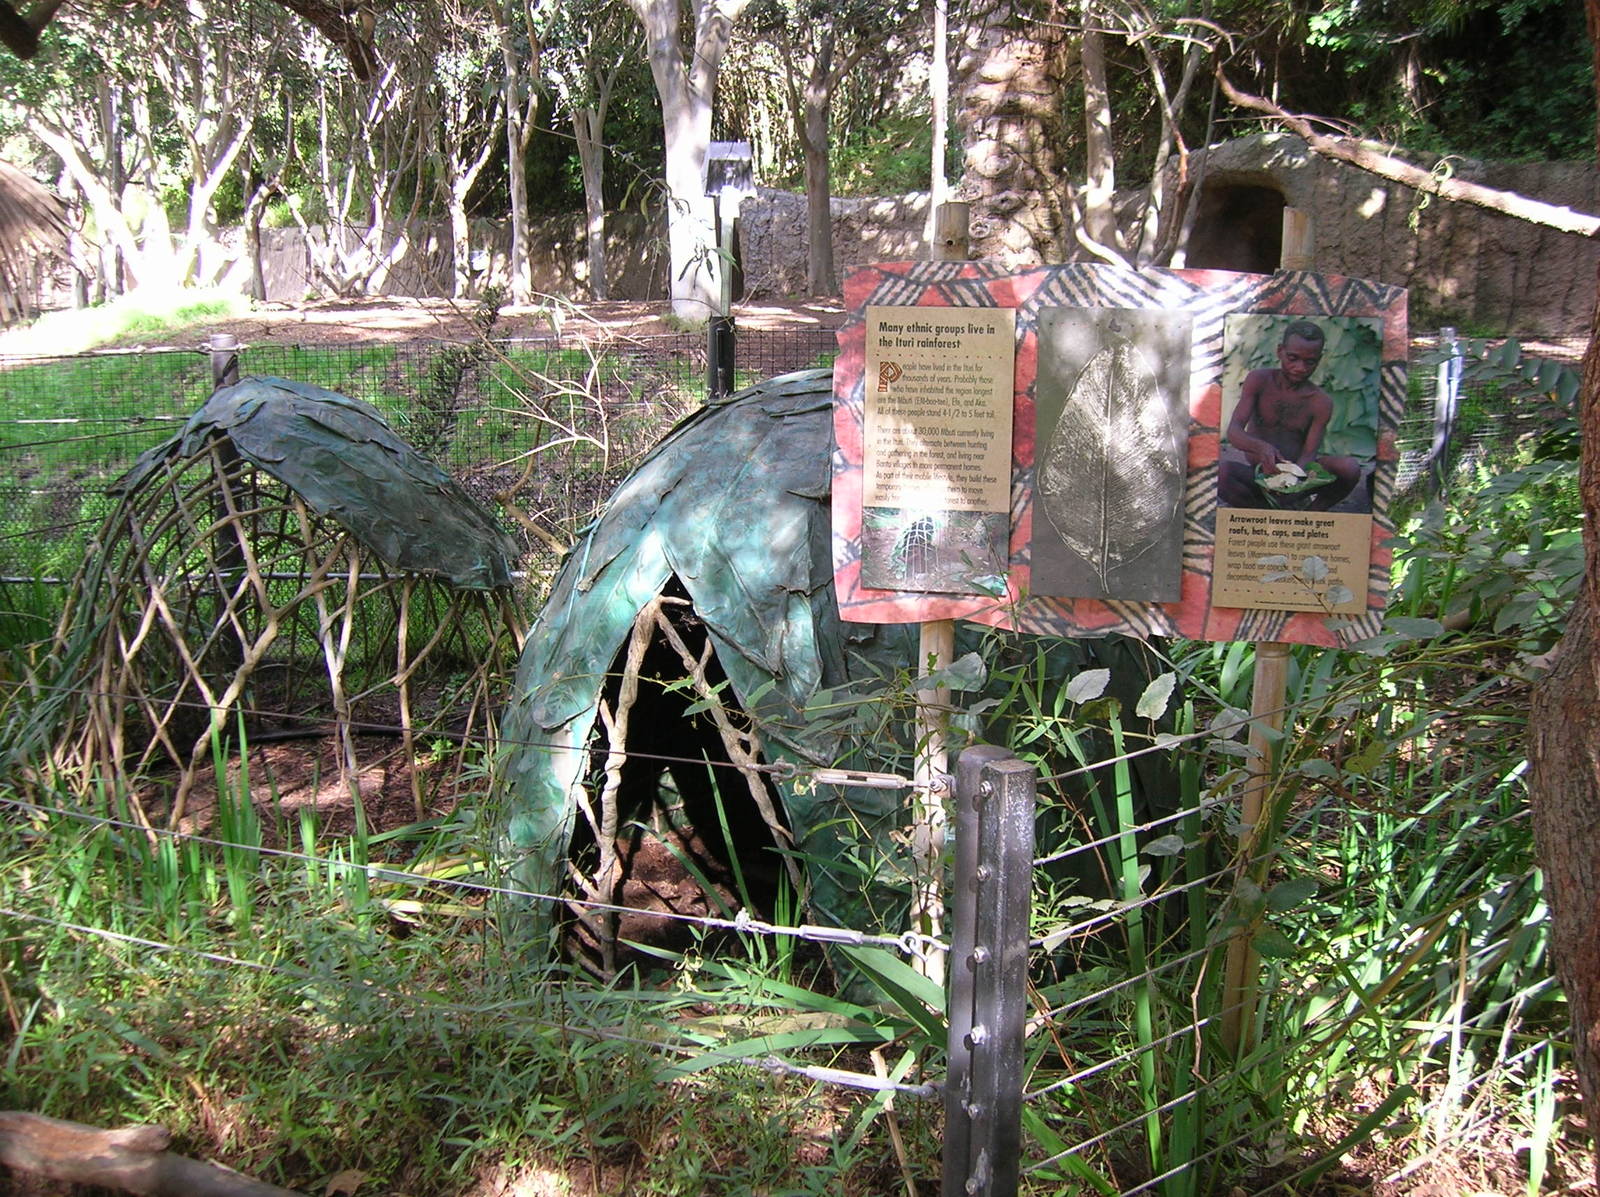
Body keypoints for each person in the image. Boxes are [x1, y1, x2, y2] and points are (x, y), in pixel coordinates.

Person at [1218, 320, 1362, 511]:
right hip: (1260, 475)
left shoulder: (1320, 402)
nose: (1300, 367)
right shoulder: (1259, 380)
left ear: (1319, 359)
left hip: (1300, 475)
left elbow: (1309, 453)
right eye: (1293, 358)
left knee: (1349, 468)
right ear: (1280, 351)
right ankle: (1264, 511)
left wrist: (1292, 480)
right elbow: (1234, 432)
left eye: (1310, 361)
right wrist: (1262, 449)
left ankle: (1311, 514)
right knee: (1221, 472)